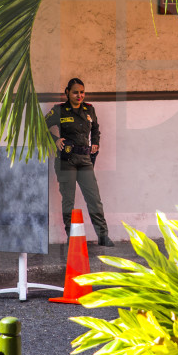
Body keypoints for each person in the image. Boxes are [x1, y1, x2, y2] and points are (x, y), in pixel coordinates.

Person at [45, 78, 113, 247]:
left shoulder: (89, 109)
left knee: (94, 198)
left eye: (82, 92)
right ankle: (72, 236)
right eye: (76, 92)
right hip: (66, 160)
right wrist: (54, 139)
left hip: (85, 160)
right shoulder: (59, 110)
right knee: (69, 199)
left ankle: (103, 235)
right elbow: (40, 126)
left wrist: (95, 141)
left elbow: (95, 127)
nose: (79, 95)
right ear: (67, 92)